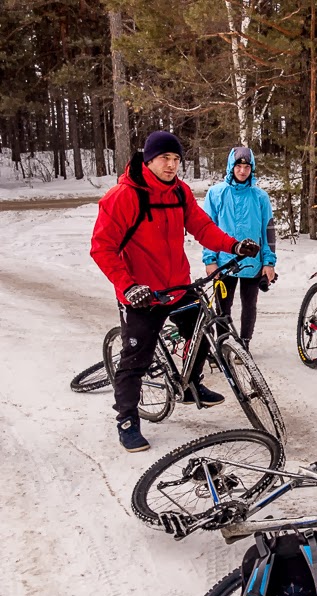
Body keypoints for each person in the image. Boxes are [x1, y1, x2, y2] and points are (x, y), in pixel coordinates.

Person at [91, 131, 261, 453]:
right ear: (149, 160)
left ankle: (190, 384)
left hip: (177, 286)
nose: (171, 165)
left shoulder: (179, 192)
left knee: (204, 330)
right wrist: (128, 285)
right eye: (165, 159)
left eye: (176, 159)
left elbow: (202, 227)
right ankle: (127, 420)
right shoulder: (123, 197)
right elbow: (102, 247)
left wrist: (233, 245)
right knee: (135, 360)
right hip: (142, 295)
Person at [202, 147, 277, 351]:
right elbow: (208, 228)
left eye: (246, 167)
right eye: (239, 166)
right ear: (231, 167)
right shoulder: (217, 193)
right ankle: (222, 344)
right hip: (224, 262)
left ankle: (244, 344)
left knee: (249, 305)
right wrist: (210, 260)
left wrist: (269, 262)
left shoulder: (260, 197)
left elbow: (268, 230)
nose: (242, 171)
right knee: (222, 307)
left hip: (253, 263)